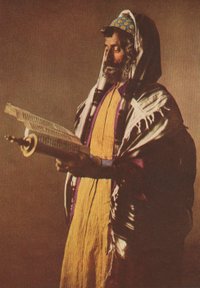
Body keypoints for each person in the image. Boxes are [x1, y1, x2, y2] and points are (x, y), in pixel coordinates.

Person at [56, 10, 196, 288]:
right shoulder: (100, 97)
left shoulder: (157, 105)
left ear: (138, 52)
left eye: (117, 49)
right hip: (88, 211)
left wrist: (99, 168)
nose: (107, 58)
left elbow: (150, 168)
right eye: (106, 49)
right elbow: (85, 146)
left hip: (123, 223)